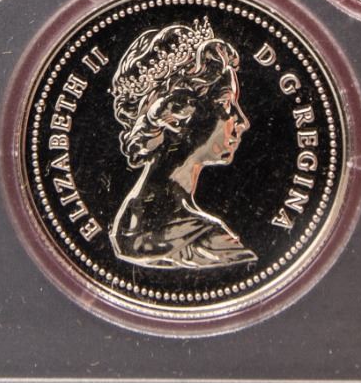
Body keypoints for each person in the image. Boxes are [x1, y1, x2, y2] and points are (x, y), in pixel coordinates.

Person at [109, 17, 255, 269]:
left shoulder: (127, 223)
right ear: (178, 114)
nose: (242, 122)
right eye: (226, 104)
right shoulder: (211, 239)